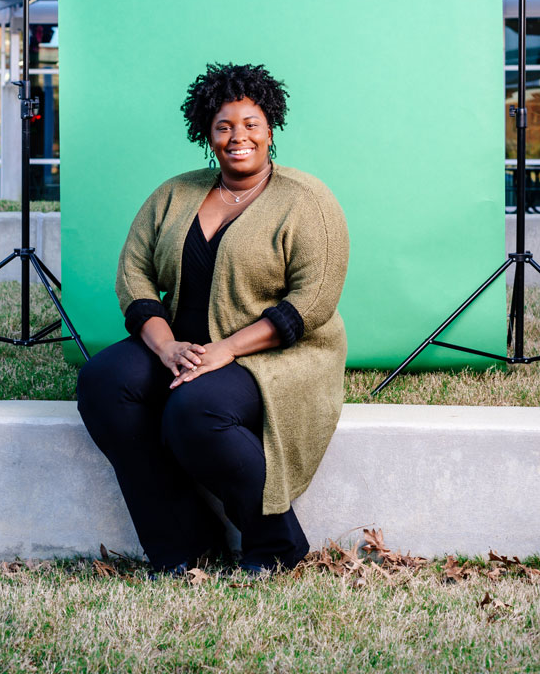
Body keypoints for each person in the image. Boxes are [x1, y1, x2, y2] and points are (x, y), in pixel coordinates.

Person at [77, 63, 349, 574]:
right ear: (207, 132)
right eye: (224, 126)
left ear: (271, 128)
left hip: (274, 353)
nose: (237, 137)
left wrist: (223, 350)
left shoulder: (306, 200)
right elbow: (133, 275)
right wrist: (167, 348)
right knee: (103, 383)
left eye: (250, 124)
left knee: (194, 409)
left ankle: (277, 544)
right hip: (186, 345)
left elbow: (314, 300)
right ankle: (185, 546)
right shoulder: (175, 194)